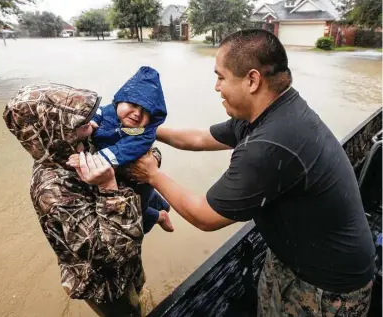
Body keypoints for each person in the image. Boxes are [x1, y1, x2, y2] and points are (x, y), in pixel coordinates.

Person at [125, 29, 375, 316]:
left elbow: (205, 216)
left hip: (329, 286)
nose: (216, 87)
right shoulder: (267, 112)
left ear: (252, 80)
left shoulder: (270, 143)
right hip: (290, 256)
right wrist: (140, 130)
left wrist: (152, 175)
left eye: (220, 77)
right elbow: (195, 138)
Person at [2, 83, 156, 317]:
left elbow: (137, 143)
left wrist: (150, 157)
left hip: (130, 262)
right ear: (54, 131)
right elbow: (109, 256)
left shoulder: (84, 142)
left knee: (139, 294)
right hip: (103, 285)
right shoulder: (52, 191)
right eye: (79, 123)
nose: (91, 124)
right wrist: (108, 187)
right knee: (128, 312)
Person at [69, 66, 174, 234]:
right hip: (118, 173)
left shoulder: (143, 133)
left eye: (145, 112)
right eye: (133, 104)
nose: (137, 114)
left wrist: (91, 161)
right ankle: (161, 206)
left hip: (138, 182)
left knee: (138, 213)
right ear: (119, 100)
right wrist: (92, 123)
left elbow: (123, 149)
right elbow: (97, 113)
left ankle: (160, 216)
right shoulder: (108, 111)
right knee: (148, 198)